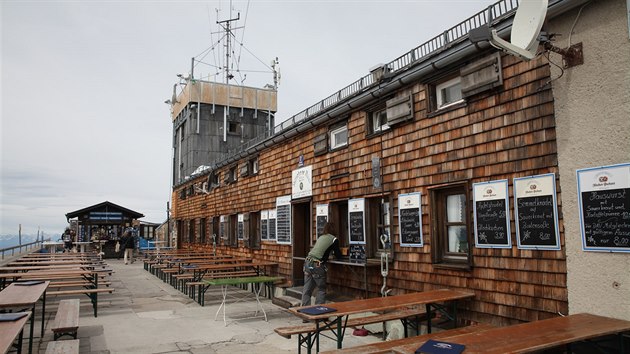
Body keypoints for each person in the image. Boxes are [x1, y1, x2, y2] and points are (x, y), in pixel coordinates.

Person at [301, 222, 342, 307]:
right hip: (317, 265)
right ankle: (318, 311)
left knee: (307, 289)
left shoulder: (321, 237)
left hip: (308, 262)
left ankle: (304, 312)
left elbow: (320, 251)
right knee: (321, 288)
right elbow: (338, 255)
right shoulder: (334, 239)